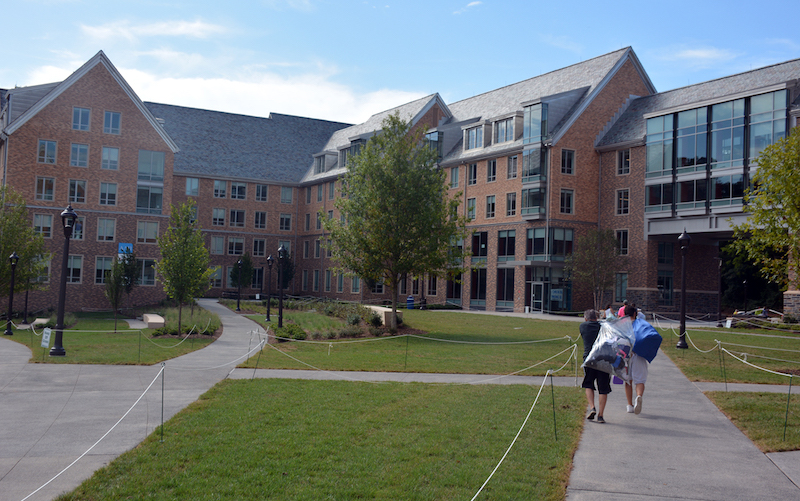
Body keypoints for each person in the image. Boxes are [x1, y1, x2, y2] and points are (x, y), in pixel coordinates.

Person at [580, 309, 610, 423]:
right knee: (603, 388)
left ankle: (592, 407)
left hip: (589, 359)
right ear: (596, 318)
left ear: (586, 318)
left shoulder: (583, 326)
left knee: (589, 384)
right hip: (603, 360)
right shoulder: (604, 327)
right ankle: (601, 415)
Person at [624, 304, 648, 414]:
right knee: (640, 380)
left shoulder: (622, 325)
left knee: (628, 380)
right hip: (639, 354)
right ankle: (639, 396)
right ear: (635, 314)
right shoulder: (641, 324)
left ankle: (629, 405)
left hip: (626, 354)